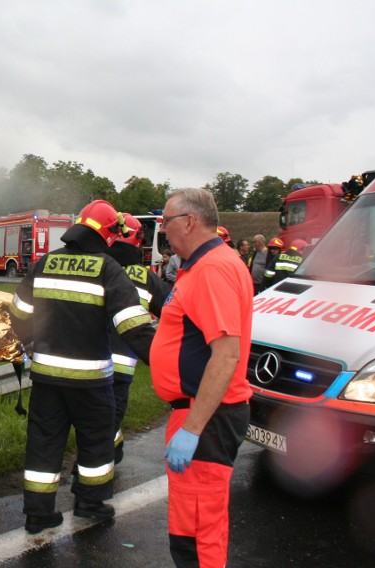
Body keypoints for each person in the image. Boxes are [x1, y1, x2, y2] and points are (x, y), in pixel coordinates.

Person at [9, 200, 156, 534]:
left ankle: (37, 514)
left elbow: (19, 314)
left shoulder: (44, 263)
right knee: (96, 440)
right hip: (91, 381)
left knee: (44, 442)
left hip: (46, 378)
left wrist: (32, 341)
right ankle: (89, 504)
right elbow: (132, 325)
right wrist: (162, 361)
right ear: (107, 234)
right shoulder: (107, 268)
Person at [150, 188, 253, 567]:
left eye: (165, 223)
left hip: (205, 416)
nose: (163, 232)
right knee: (188, 527)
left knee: (199, 530)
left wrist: (193, 429)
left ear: (189, 222)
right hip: (197, 412)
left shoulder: (212, 269)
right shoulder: (202, 265)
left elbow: (226, 354)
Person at [106, 213, 171, 465]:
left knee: (92, 421)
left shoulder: (92, 266)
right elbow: (172, 312)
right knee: (108, 421)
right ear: (137, 240)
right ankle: (98, 479)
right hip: (120, 368)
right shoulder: (145, 277)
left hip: (85, 365)